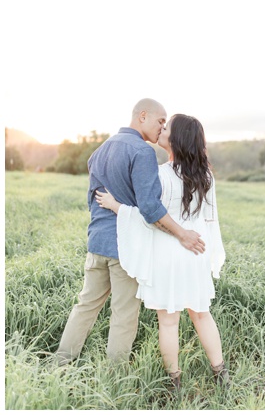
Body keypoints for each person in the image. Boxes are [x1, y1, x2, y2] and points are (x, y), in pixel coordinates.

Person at [56, 99, 205, 365]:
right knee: (124, 316)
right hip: (124, 246)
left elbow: (93, 198)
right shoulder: (143, 152)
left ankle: (60, 363)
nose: (162, 128)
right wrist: (182, 233)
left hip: (97, 242)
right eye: (160, 121)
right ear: (142, 116)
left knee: (85, 307)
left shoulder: (100, 150)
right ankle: (116, 379)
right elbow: (150, 208)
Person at [95, 113, 228, 391]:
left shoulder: (160, 174)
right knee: (202, 314)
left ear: (176, 139)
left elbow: (150, 217)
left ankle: (174, 383)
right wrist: (210, 255)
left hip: (169, 253)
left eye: (167, 127)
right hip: (196, 251)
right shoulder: (206, 176)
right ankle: (221, 375)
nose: (162, 129)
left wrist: (114, 205)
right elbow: (211, 221)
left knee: (169, 323)